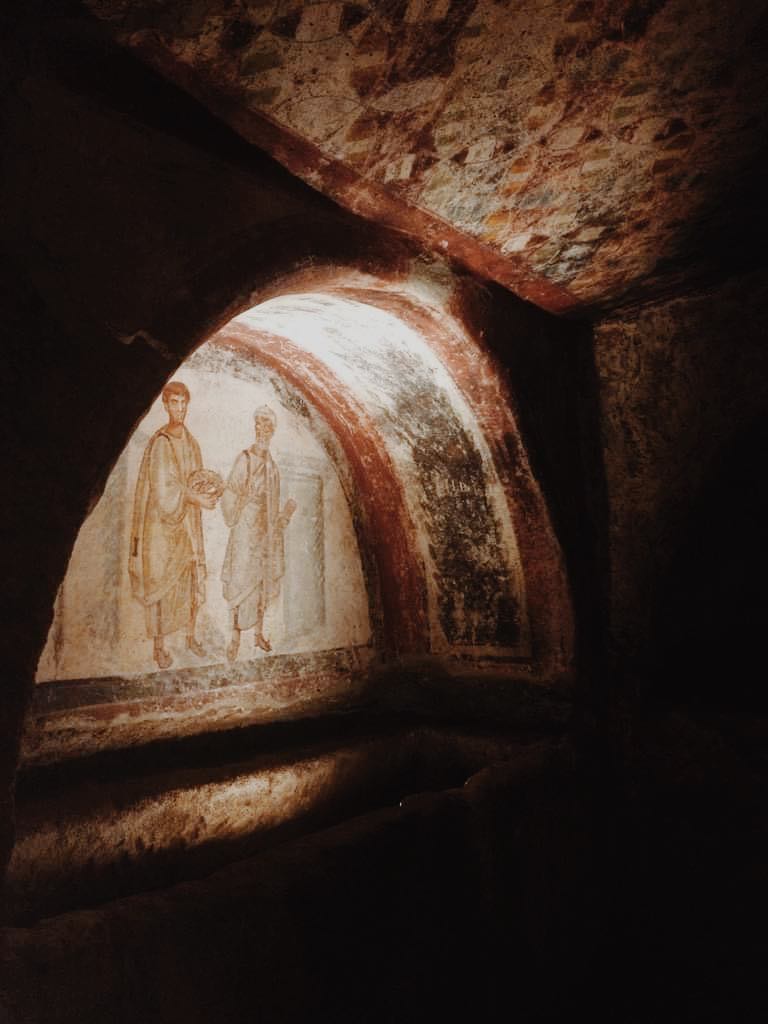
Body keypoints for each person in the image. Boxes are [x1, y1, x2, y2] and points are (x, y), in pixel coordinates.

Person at [129, 381, 216, 669]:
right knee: (161, 587)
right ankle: (158, 647)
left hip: (185, 527)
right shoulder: (160, 442)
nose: (180, 409)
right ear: (165, 405)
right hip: (160, 529)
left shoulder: (192, 444)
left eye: (183, 403)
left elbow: (193, 480)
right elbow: (164, 490)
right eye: (174, 403)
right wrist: (196, 498)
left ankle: (190, 636)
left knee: (189, 580)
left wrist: (208, 490)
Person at [221, 406, 296, 663]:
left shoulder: (272, 467)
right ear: (255, 429)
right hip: (245, 530)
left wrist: (283, 516)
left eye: (268, 427)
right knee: (240, 582)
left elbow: (272, 506)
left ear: (272, 432)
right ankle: (234, 638)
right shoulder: (245, 459)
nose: (263, 431)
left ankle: (259, 634)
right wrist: (244, 498)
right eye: (259, 426)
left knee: (262, 584)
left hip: (265, 534)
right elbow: (230, 492)